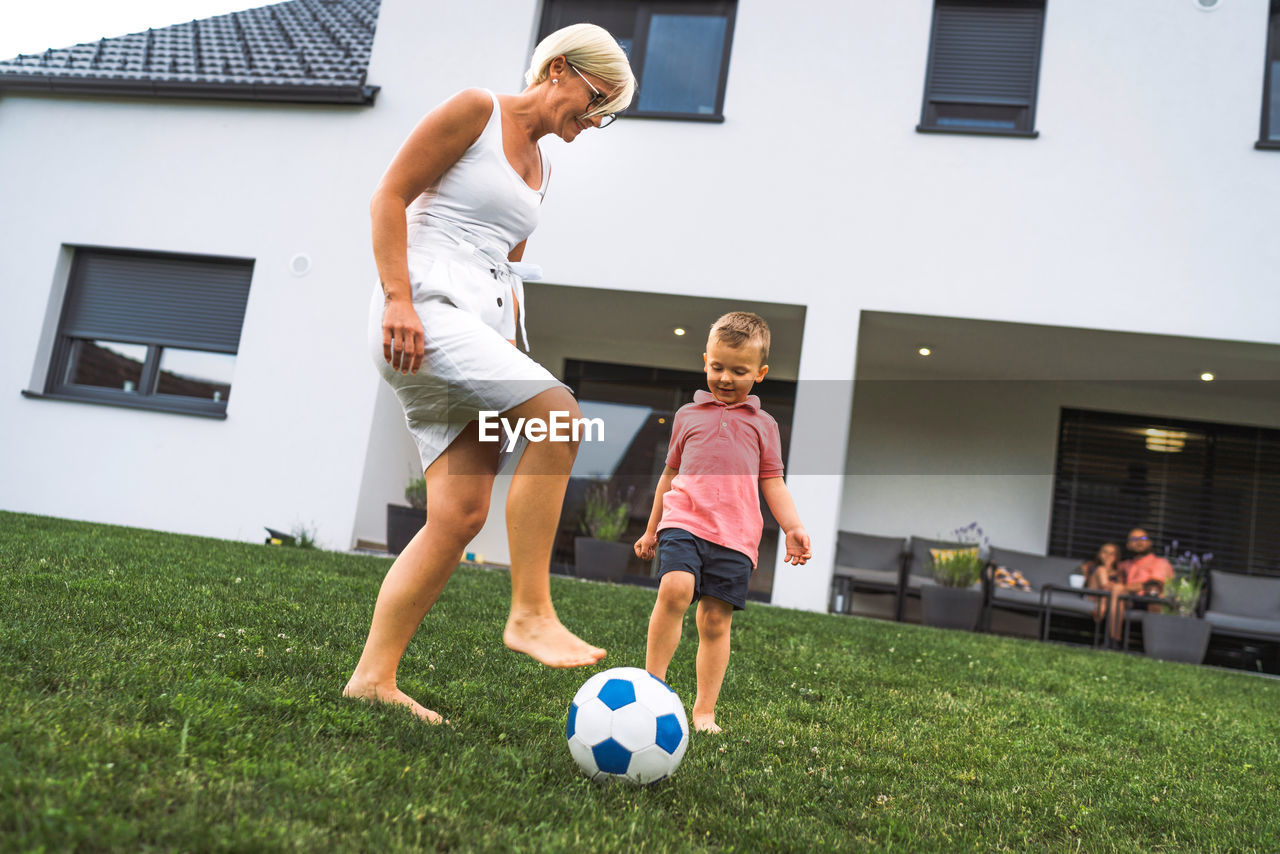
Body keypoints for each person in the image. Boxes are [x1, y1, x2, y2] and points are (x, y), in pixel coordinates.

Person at [344, 25, 636, 723]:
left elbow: (503, 266)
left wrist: (505, 359)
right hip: (421, 312)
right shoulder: (476, 110)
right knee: (561, 414)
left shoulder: (542, 168)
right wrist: (398, 301)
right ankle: (530, 611)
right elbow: (389, 196)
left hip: (474, 328)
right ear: (558, 69)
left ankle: (373, 678)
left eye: (603, 119)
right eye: (594, 104)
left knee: (459, 515)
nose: (589, 125)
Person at [634, 312, 812, 734]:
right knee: (675, 588)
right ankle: (652, 688)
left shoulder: (764, 426)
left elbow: (774, 483)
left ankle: (704, 712)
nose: (725, 378)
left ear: (761, 373)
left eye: (739, 370)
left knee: (715, 621)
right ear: (705, 361)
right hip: (685, 520)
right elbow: (669, 475)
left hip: (736, 536)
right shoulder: (687, 416)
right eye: (717, 367)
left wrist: (793, 527)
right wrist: (651, 528)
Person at [1106, 528, 1173, 643]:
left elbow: (1154, 584)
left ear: (1150, 542)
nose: (1139, 542)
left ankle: (1157, 644)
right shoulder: (1125, 565)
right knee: (1116, 591)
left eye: (1143, 538)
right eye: (1134, 539)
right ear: (1128, 545)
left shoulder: (1159, 562)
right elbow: (1109, 577)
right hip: (1130, 600)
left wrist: (1124, 588)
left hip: (1150, 600)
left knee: (1154, 598)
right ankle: (1114, 641)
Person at [1079, 542, 1121, 623]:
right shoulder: (1090, 566)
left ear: (1116, 557)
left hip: (1110, 599)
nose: (1108, 556)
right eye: (1105, 552)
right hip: (1092, 596)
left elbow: (1120, 587)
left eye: (1111, 554)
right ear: (1099, 554)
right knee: (1101, 570)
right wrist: (1106, 568)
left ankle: (1101, 607)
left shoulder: (1119, 573)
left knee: (1114, 588)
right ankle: (1102, 607)